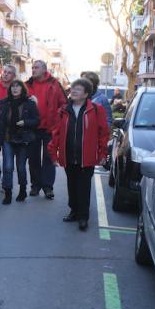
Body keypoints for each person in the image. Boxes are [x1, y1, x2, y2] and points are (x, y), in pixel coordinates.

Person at [48, 78, 110, 231]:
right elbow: (56, 133)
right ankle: (74, 211)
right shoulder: (63, 110)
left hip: (86, 157)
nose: (74, 91)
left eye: (78, 89)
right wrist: (53, 153)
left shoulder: (96, 109)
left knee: (83, 187)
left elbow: (103, 133)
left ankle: (83, 217)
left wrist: (103, 153)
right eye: (73, 88)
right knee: (72, 185)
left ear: (86, 94)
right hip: (68, 155)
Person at [0, 80, 40, 204]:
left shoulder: (29, 103)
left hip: (23, 140)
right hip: (8, 139)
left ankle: (22, 190)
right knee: (8, 167)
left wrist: (25, 122)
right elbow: (1, 125)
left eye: (17, 86)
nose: (15, 89)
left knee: (21, 168)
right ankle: (8, 193)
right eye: (13, 86)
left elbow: (36, 121)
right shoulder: (4, 103)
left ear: (22, 89)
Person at [25, 60, 65, 200]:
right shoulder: (28, 84)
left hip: (50, 128)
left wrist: (57, 118)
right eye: (32, 67)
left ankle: (48, 187)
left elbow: (64, 104)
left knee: (49, 158)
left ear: (44, 69)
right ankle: (35, 186)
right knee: (33, 158)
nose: (33, 70)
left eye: (36, 67)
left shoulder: (55, 84)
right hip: (33, 127)